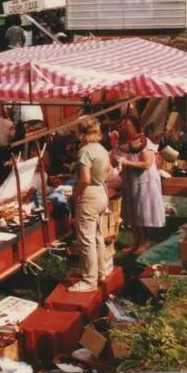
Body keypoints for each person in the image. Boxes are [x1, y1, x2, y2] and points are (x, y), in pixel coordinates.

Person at [68, 117, 112, 292]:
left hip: (90, 195)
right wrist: (99, 180)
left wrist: (76, 194)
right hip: (101, 191)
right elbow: (109, 170)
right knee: (97, 236)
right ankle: (101, 272)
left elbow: (85, 179)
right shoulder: (102, 149)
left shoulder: (84, 151)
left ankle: (89, 281)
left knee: (86, 239)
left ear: (81, 133)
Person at [116, 117, 166, 255]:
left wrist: (126, 163)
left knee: (143, 213)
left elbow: (147, 164)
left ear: (136, 126)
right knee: (133, 214)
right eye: (122, 124)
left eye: (128, 124)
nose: (124, 127)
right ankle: (136, 241)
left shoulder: (145, 142)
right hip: (131, 182)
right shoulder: (125, 144)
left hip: (145, 183)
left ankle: (145, 243)